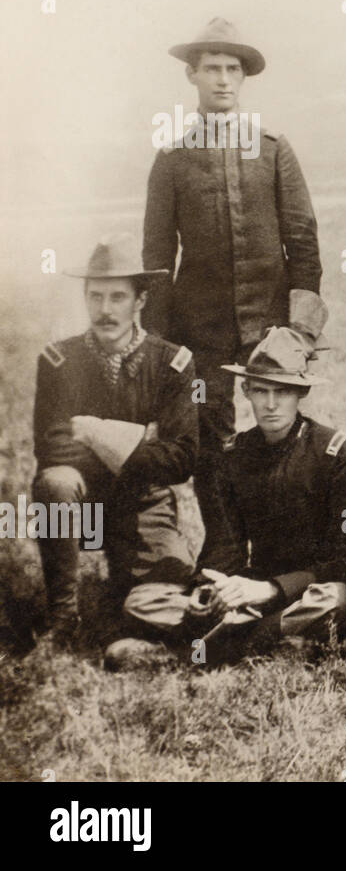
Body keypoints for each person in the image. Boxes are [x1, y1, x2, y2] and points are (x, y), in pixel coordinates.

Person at [142, 17, 325, 554]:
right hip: (200, 331)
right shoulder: (171, 158)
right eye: (212, 69)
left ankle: (287, 547)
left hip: (270, 323)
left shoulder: (273, 149)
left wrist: (299, 330)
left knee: (280, 427)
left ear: (244, 79)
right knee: (208, 437)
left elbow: (303, 240)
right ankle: (221, 549)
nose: (223, 80)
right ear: (192, 76)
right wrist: (161, 343)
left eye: (232, 70)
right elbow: (157, 259)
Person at [31, 234, 197, 655]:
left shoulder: (174, 363)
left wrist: (91, 431)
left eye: (117, 297)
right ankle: (63, 620)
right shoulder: (58, 361)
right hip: (84, 508)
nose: (105, 310)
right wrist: (143, 439)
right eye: (95, 296)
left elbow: (180, 459)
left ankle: (120, 599)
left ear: (140, 300)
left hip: (144, 503)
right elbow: (51, 448)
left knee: (169, 603)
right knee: (56, 483)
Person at [172, 327, 346, 664]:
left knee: (335, 600)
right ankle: (258, 635)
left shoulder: (338, 454)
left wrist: (273, 589)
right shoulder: (232, 454)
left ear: (301, 392)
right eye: (260, 391)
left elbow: (344, 555)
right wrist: (206, 588)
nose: (271, 404)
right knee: (156, 601)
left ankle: (236, 642)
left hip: (312, 588)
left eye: (283, 391)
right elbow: (224, 545)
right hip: (254, 585)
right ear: (246, 391)